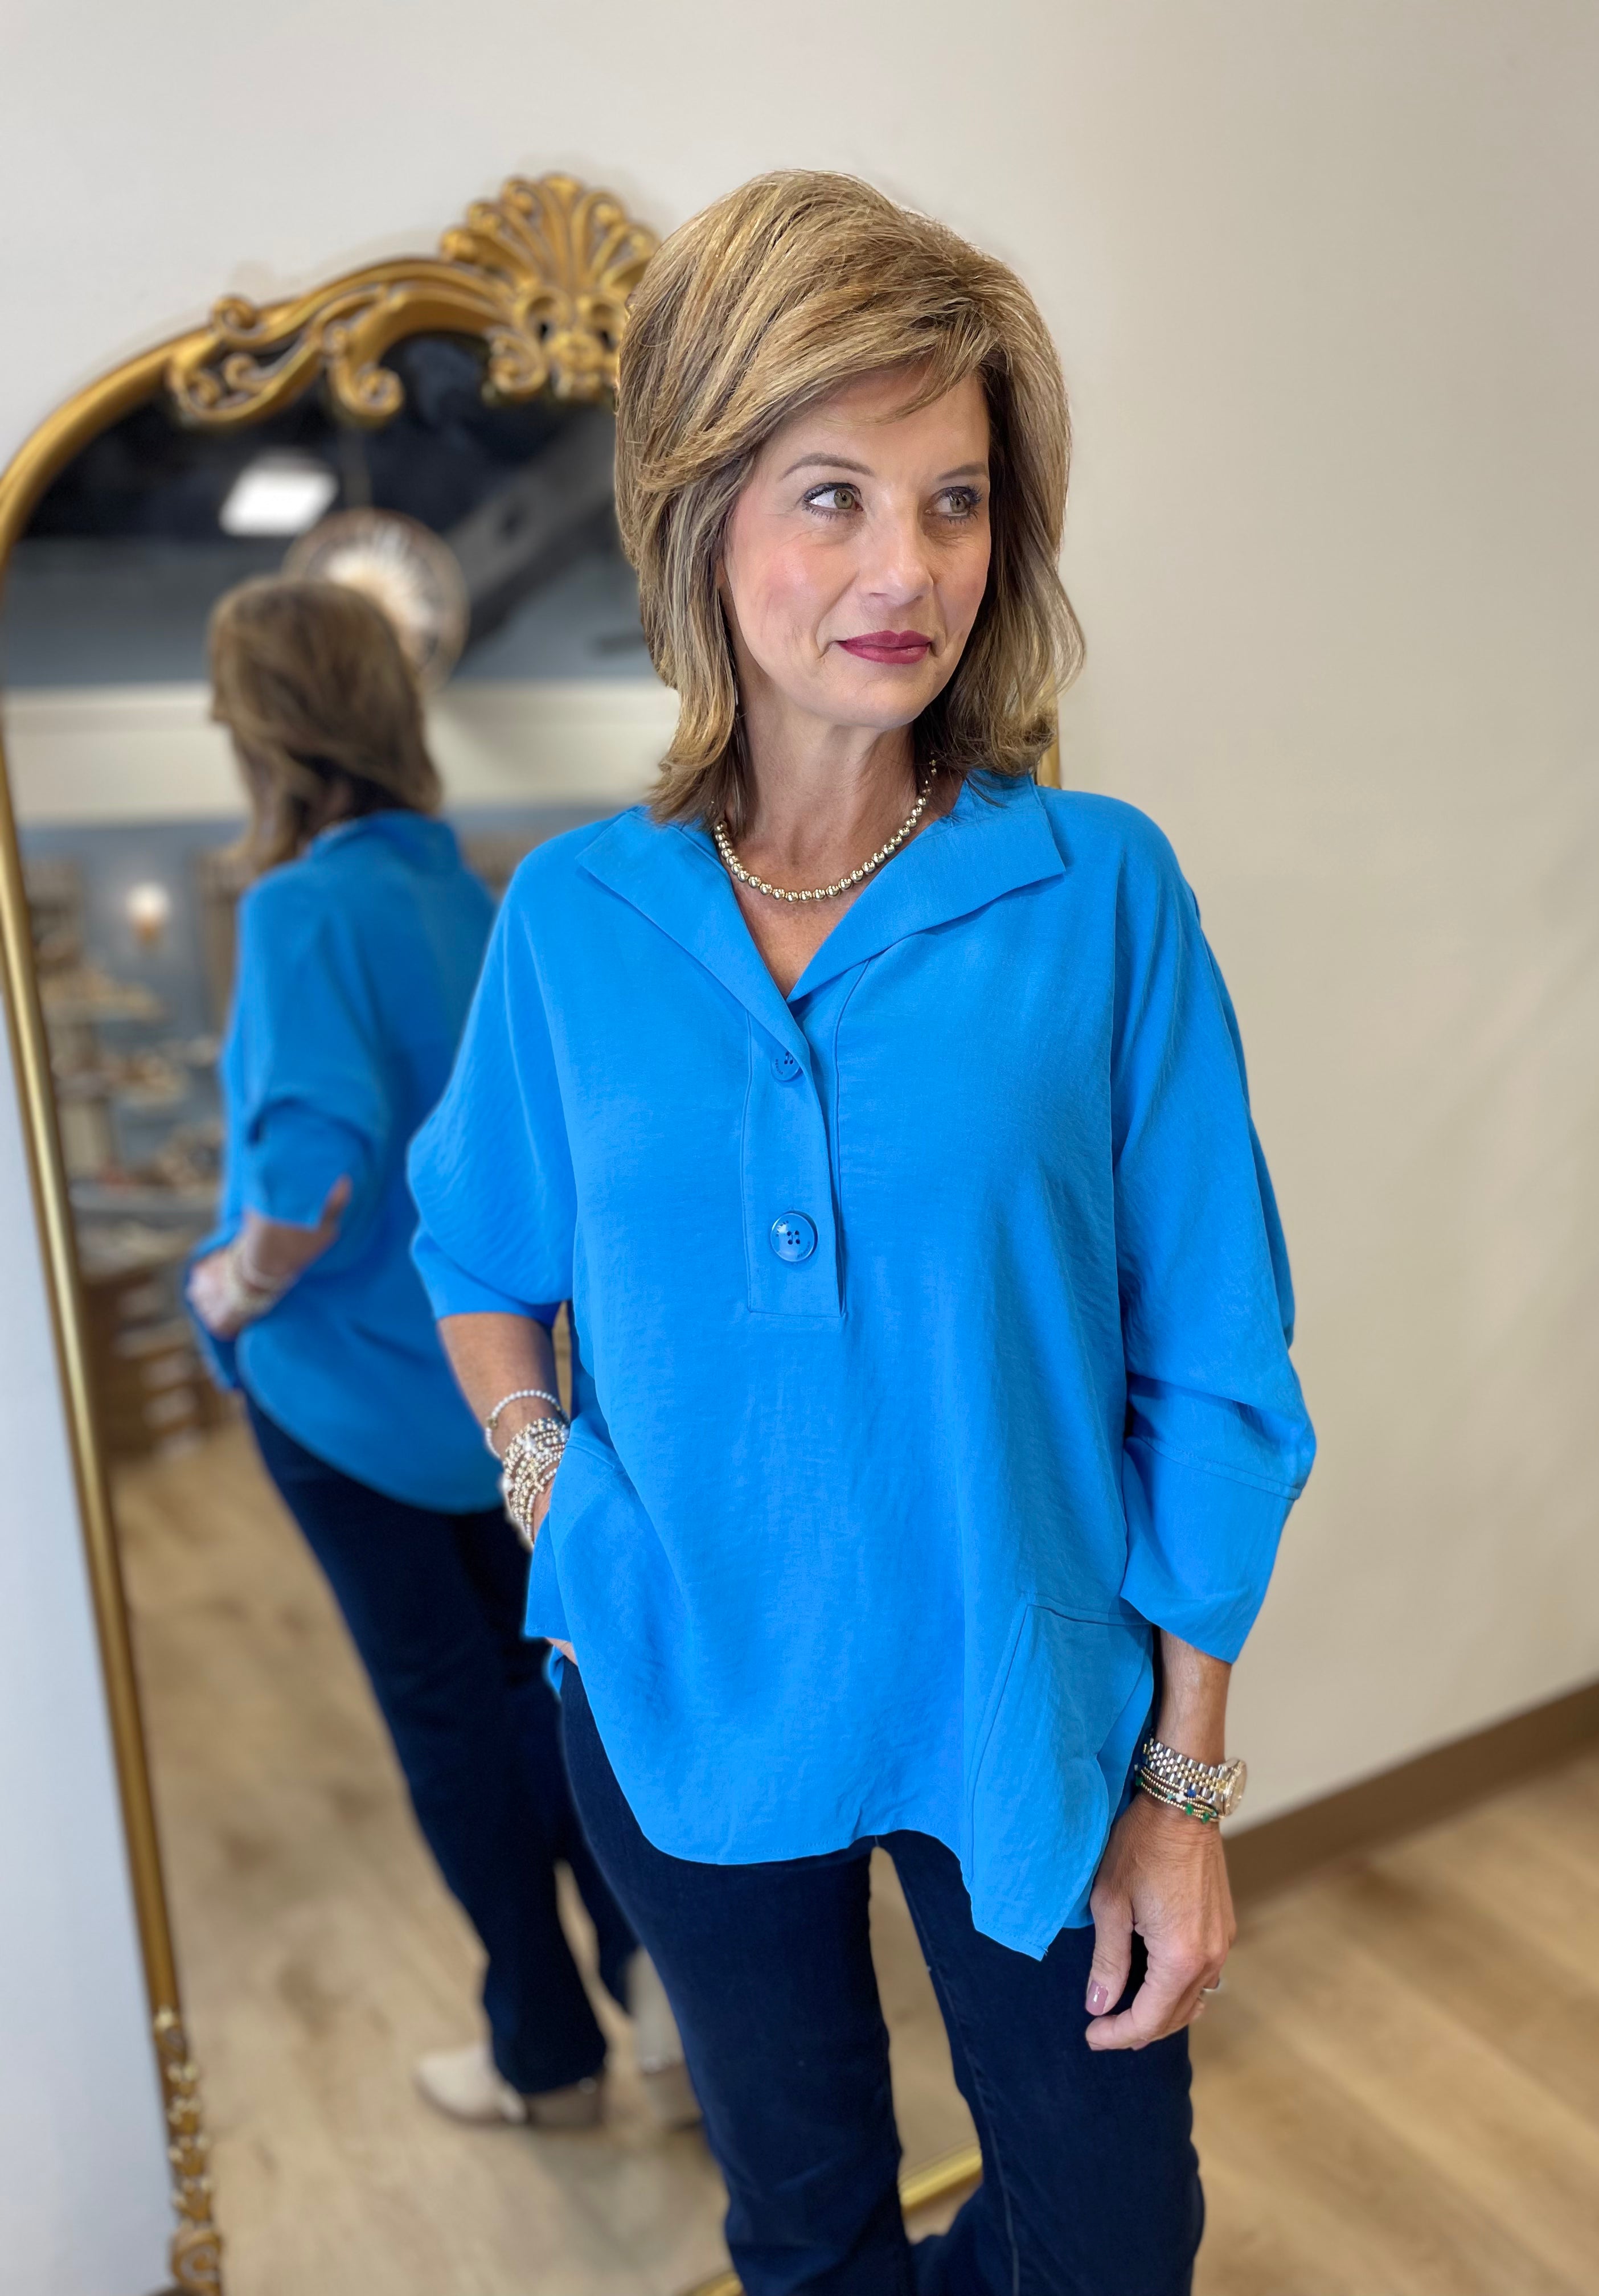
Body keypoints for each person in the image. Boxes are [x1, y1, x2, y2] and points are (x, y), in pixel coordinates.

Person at [409, 172, 1315, 2294]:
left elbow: (1217, 1362)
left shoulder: (1097, 892)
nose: (910, 570)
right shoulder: (572, 920)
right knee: (804, 2227)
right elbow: (477, 1256)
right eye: (834, 495)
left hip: (1028, 1696)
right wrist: (555, 1490)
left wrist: (1185, 1789)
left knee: (1111, 2238)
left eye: (957, 502)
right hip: (679, 1687)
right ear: (700, 512)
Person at [185, 576, 692, 2134]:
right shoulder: (471, 900)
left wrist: (232, 1287)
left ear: (262, 732)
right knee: (541, 1697)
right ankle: (656, 1995)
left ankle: (545, 2059)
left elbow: (307, 1177)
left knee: (448, 1727)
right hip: (491, 1394)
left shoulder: (297, 910)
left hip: (347, 1408)